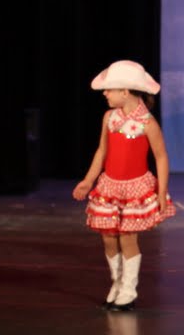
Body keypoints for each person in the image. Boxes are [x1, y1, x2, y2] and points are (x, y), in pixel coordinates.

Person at [72, 61, 173, 310]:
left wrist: (161, 192)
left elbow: (161, 157)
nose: (105, 94)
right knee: (108, 238)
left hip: (135, 189)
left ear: (125, 92)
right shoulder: (109, 118)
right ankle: (116, 283)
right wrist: (89, 180)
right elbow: (102, 151)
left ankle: (129, 290)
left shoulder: (147, 123)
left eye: (109, 89)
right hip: (109, 187)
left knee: (128, 239)